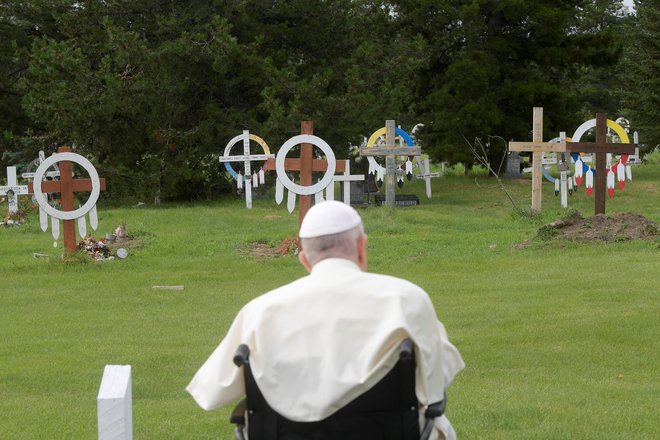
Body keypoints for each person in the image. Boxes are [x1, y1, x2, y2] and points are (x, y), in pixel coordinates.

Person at [186, 201, 465, 439]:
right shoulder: (406, 300)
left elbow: (213, 393)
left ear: (305, 260)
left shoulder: (259, 312)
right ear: (362, 248)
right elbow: (434, 388)